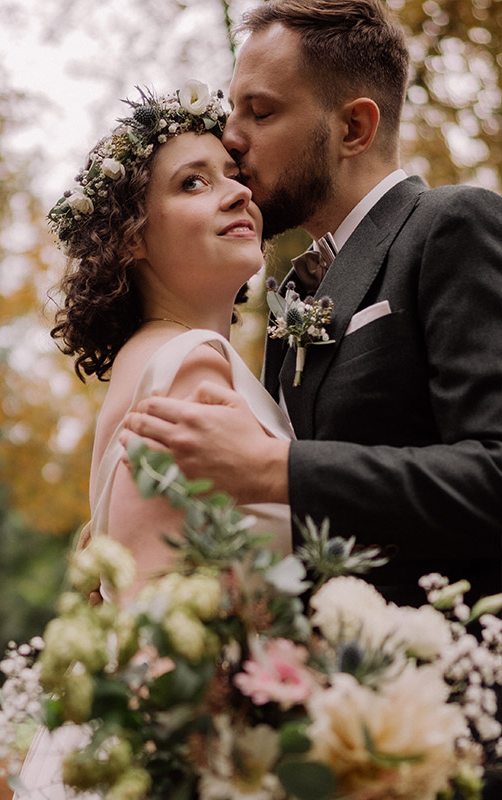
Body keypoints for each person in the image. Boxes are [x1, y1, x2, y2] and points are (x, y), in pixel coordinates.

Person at [121, 0, 502, 609]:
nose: (232, 138)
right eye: (233, 109)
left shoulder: (451, 227)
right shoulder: (296, 293)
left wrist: (279, 470)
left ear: (354, 128)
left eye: (261, 112)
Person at [14, 83, 294, 799]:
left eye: (235, 177)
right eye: (194, 183)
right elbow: (168, 623)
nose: (236, 195)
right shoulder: (191, 362)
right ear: (132, 237)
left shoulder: (149, 358)